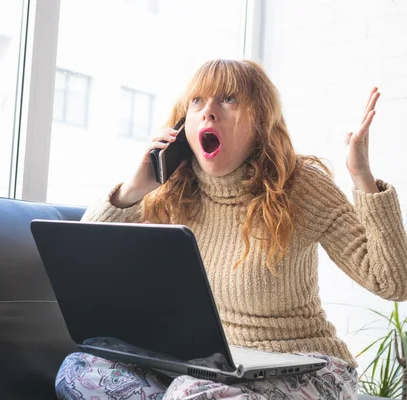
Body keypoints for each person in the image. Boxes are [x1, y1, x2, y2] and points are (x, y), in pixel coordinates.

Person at [55, 59, 407, 400]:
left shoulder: (300, 186)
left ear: (259, 121)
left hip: (308, 367)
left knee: (192, 393)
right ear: (183, 125)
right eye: (197, 102)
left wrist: (363, 179)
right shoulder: (172, 192)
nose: (208, 111)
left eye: (228, 99)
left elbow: (392, 282)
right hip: (207, 369)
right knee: (80, 370)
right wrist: (133, 188)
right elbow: (87, 264)